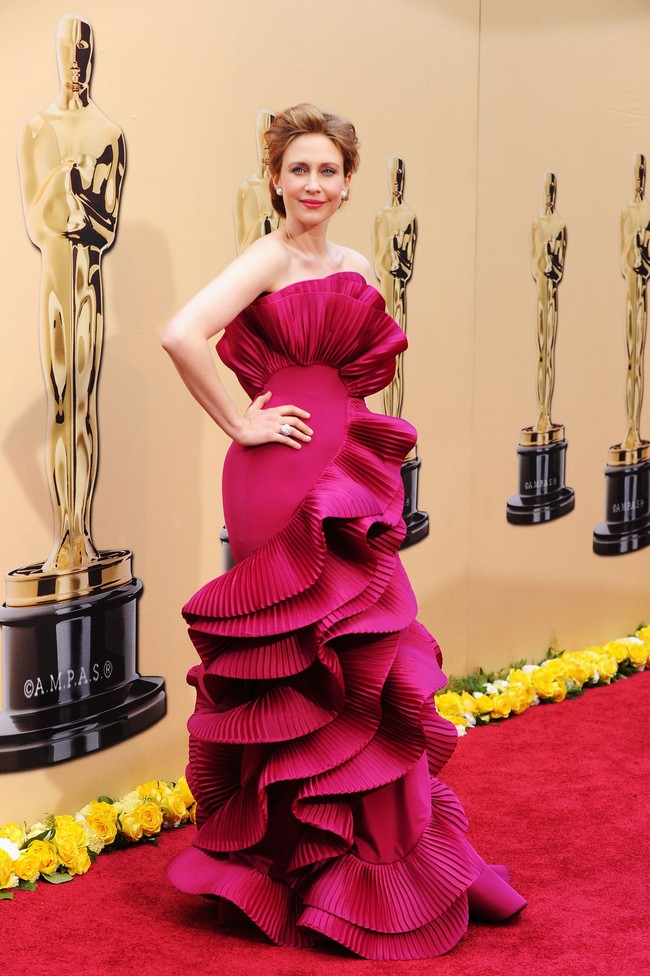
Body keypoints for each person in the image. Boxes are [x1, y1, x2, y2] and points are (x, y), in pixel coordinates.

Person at [163, 103, 525, 960]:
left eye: (328, 171)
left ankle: (370, 859)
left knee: (366, 655)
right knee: (294, 654)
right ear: (275, 179)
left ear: (348, 180)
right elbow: (181, 334)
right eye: (299, 170)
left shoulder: (356, 261)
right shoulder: (268, 255)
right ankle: (301, 864)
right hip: (278, 474)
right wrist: (238, 425)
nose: (313, 185)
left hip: (347, 470)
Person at [18, 14, 126, 572]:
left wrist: (80, 205)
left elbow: (104, 231)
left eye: (86, 48)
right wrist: (67, 188)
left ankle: (82, 529)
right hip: (56, 283)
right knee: (62, 402)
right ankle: (64, 533)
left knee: (87, 405)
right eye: (71, 48)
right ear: (60, 54)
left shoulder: (109, 136)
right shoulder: (38, 129)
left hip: (89, 283)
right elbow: (39, 224)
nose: (78, 58)